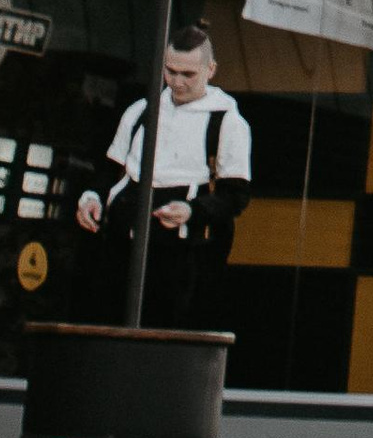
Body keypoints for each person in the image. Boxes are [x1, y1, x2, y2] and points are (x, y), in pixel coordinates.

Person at [76, 21, 251, 320]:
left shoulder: (227, 122)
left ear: (210, 70)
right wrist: (91, 197)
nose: (177, 82)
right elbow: (109, 169)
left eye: (188, 74)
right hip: (121, 245)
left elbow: (235, 196)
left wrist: (192, 210)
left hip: (182, 254)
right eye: (170, 71)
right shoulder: (142, 110)